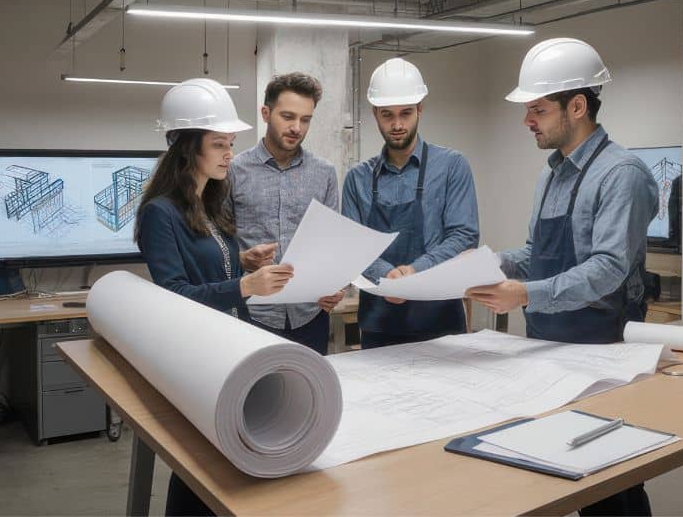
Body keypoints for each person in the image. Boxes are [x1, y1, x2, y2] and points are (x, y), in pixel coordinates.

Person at [466, 38, 659, 516]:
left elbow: (608, 269)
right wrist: (488, 265)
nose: (527, 121)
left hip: (603, 350)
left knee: (611, 485)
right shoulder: (550, 175)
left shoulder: (622, 174)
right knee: (555, 468)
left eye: (538, 109)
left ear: (577, 106)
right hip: (547, 347)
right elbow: (537, 252)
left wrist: (525, 294)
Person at [135, 78, 294, 517]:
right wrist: (245, 286)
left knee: (230, 465)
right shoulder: (160, 213)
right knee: (201, 469)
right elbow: (173, 294)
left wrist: (242, 262)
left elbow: (206, 267)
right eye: (219, 144)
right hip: (198, 355)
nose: (229, 154)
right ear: (187, 149)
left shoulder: (207, 202)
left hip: (229, 346)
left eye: (231, 144)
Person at [342, 58, 479, 349]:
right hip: (379, 325)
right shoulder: (357, 179)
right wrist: (387, 275)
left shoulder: (452, 166)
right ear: (375, 114)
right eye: (387, 115)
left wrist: (413, 272)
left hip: (441, 321)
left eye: (405, 113)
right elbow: (351, 247)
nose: (397, 124)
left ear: (420, 109)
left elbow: (464, 235)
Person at [230, 72, 343, 355]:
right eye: (288, 117)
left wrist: (334, 285)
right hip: (252, 314)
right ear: (266, 113)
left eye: (305, 120)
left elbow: (330, 243)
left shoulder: (324, 173)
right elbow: (217, 243)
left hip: (311, 314)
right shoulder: (233, 171)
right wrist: (242, 259)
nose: (296, 128)